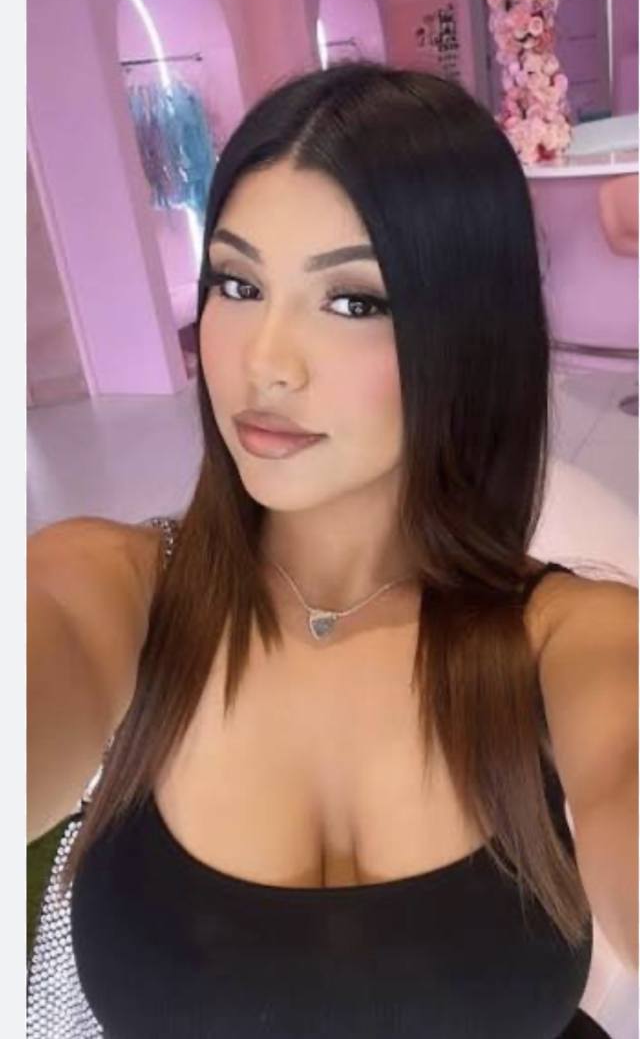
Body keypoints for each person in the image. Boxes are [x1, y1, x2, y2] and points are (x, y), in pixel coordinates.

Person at [27, 61, 637, 1038]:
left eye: (352, 301)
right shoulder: (111, 587)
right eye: (237, 283)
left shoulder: (576, 636)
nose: (264, 362)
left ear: (468, 331)